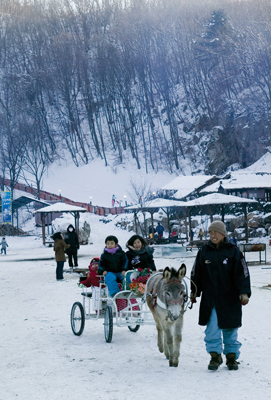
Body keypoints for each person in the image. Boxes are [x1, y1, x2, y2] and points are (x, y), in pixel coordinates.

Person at [190, 220, 251, 371]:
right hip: (211, 298)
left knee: (230, 327)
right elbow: (196, 273)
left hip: (230, 298)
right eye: (210, 233)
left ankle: (231, 357)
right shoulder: (204, 252)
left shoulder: (233, 251)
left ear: (223, 234)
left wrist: (244, 292)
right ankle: (215, 356)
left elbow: (242, 273)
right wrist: (194, 291)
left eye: (216, 232)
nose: (213, 235)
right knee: (212, 329)